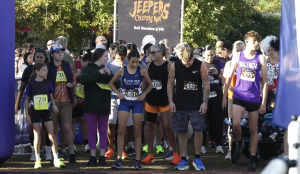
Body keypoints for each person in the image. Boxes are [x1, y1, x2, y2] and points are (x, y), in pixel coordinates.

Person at [222, 30, 267, 172]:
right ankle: (240, 143)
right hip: (239, 94)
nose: (256, 44)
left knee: (254, 129)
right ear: (247, 41)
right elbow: (228, 78)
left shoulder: (261, 58)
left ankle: (252, 159)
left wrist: (264, 102)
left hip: (254, 97)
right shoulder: (238, 56)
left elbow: (265, 82)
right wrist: (224, 96)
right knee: (235, 124)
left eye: (258, 42)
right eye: (254, 41)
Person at [109, 49, 153, 170]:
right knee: (121, 130)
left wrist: (143, 95)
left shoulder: (142, 70)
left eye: (137, 62)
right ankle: (119, 159)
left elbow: (150, 85)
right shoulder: (122, 70)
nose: (135, 64)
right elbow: (111, 83)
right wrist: (118, 93)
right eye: (133, 62)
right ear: (127, 60)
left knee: (137, 131)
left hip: (137, 103)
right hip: (124, 102)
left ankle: (137, 160)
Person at [168, 47, 209, 171]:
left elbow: (206, 85)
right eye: (185, 64)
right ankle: (183, 159)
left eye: (189, 63)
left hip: (196, 104)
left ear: (193, 58)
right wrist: (170, 101)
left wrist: (205, 102)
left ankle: (197, 158)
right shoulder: (175, 66)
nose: (187, 66)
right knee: (181, 132)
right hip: (180, 104)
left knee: (198, 131)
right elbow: (169, 84)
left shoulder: (200, 65)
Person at [141, 44, 180, 165]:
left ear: (161, 53)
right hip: (151, 100)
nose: (151, 54)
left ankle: (175, 153)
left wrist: (175, 98)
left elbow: (175, 83)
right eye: (150, 52)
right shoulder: (148, 66)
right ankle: (150, 155)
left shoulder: (168, 66)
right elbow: (144, 83)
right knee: (149, 126)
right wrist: (141, 94)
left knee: (167, 127)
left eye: (153, 52)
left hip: (165, 101)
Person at [80, 48, 118, 165]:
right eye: (106, 56)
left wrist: (110, 74)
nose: (108, 58)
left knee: (103, 132)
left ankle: (102, 156)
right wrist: (98, 73)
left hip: (104, 106)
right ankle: (92, 157)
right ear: (99, 57)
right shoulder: (88, 68)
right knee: (92, 132)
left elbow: (117, 84)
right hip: (91, 106)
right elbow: (84, 79)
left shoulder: (107, 69)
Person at [24, 62, 65, 169]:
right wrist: (27, 114)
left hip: (46, 112)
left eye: (46, 70)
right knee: (37, 135)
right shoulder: (31, 84)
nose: (46, 72)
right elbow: (27, 100)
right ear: (37, 72)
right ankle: (37, 160)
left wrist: (54, 106)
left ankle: (56, 158)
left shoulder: (48, 83)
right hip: (35, 112)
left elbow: (51, 96)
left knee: (51, 134)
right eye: (43, 70)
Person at [15, 49, 50, 161]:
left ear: (45, 58)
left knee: (46, 128)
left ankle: (47, 151)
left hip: (47, 105)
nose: (39, 59)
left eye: (41, 57)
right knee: (33, 129)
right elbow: (22, 87)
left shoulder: (48, 69)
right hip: (33, 105)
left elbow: (52, 89)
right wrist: (17, 103)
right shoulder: (29, 70)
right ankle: (34, 151)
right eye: (37, 57)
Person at [47, 43, 77, 165]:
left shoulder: (68, 65)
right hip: (52, 102)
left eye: (62, 52)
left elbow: (74, 80)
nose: (60, 54)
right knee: (53, 129)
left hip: (66, 101)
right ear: (52, 54)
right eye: (58, 52)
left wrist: (73, 93)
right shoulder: (48, 67)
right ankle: (55, 156)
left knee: (67, 127)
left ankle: (71, 154)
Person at [105, 45, 130, 159]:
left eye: (123, 58)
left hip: (126, 99)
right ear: (114, 55)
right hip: (112, 97)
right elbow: (107, 81)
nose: (121, 60)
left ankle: (122, 150)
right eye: (119, 58)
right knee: (111, 123)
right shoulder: (109, 64)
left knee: (123, 126)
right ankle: (110, 148)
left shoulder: (129, 65)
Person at [223, 41, 246, 160]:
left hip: (247, 98)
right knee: (232, 124)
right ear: (233, 51)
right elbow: (225, 81)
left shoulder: (249, 64)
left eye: (242, 50)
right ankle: (230, 150)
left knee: (246, 123)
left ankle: (247, 149)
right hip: (232, 97)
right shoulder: (229, 64)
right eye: (237, 50)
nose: (240, 52)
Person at [202, 45, 224, 154]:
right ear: (203, 55)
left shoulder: (218, 63)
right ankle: (202, 145)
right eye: (207, 55)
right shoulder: (200, 64)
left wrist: (216, 73)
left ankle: (218, 144)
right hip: (204, 93)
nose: (210, 57)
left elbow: (224, 80)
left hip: (217, 92)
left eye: (211, 55)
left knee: (217, 118)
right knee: (203, 119)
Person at [71, 50, 92, 153]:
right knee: (73, 121)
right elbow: (70, 78)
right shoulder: (75, 63)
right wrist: (78, 74)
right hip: (73, 96)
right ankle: (72, 144)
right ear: (87, 60)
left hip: (85, 98)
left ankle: (87, 143)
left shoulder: (91, 68)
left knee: (84, 120)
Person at [260, 36, 280, 114]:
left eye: (272, 50)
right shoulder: (264, 62)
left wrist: (279, 89)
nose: (270, 52)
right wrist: (261, 87)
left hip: (279, 93)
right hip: (266, 93)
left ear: (277, 49)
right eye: (268, 50)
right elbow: (260, 78)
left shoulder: (283, 62)